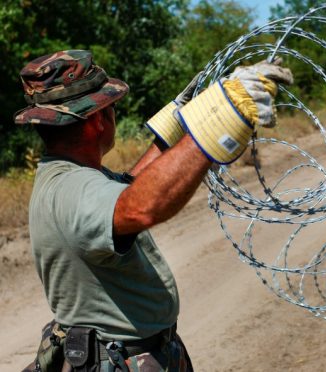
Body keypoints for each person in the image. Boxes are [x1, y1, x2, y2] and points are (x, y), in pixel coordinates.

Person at [16, 50, 292, 371]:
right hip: (119, 359)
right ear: (96, 121)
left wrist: (176, 125)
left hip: (134, 353)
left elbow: (131, 187)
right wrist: (218, 124)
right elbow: (140, 207)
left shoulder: (71, 176)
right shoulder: (72, 190)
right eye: (111, 107)